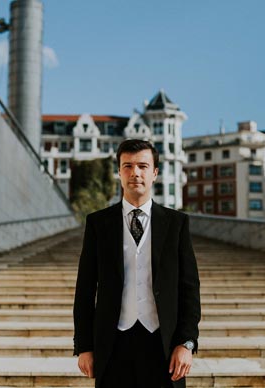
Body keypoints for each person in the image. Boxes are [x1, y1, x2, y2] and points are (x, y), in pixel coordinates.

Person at [73, 139, 201, 387]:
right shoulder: (98, 224)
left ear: (155, 173)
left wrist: (186, 343)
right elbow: (85, 290)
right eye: (127, 166)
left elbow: (190, 289)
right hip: (113, 344)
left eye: (142, 166)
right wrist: (84, 346)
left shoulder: (177, 224)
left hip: (164, 344)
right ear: (119, 172)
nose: (135, 173)